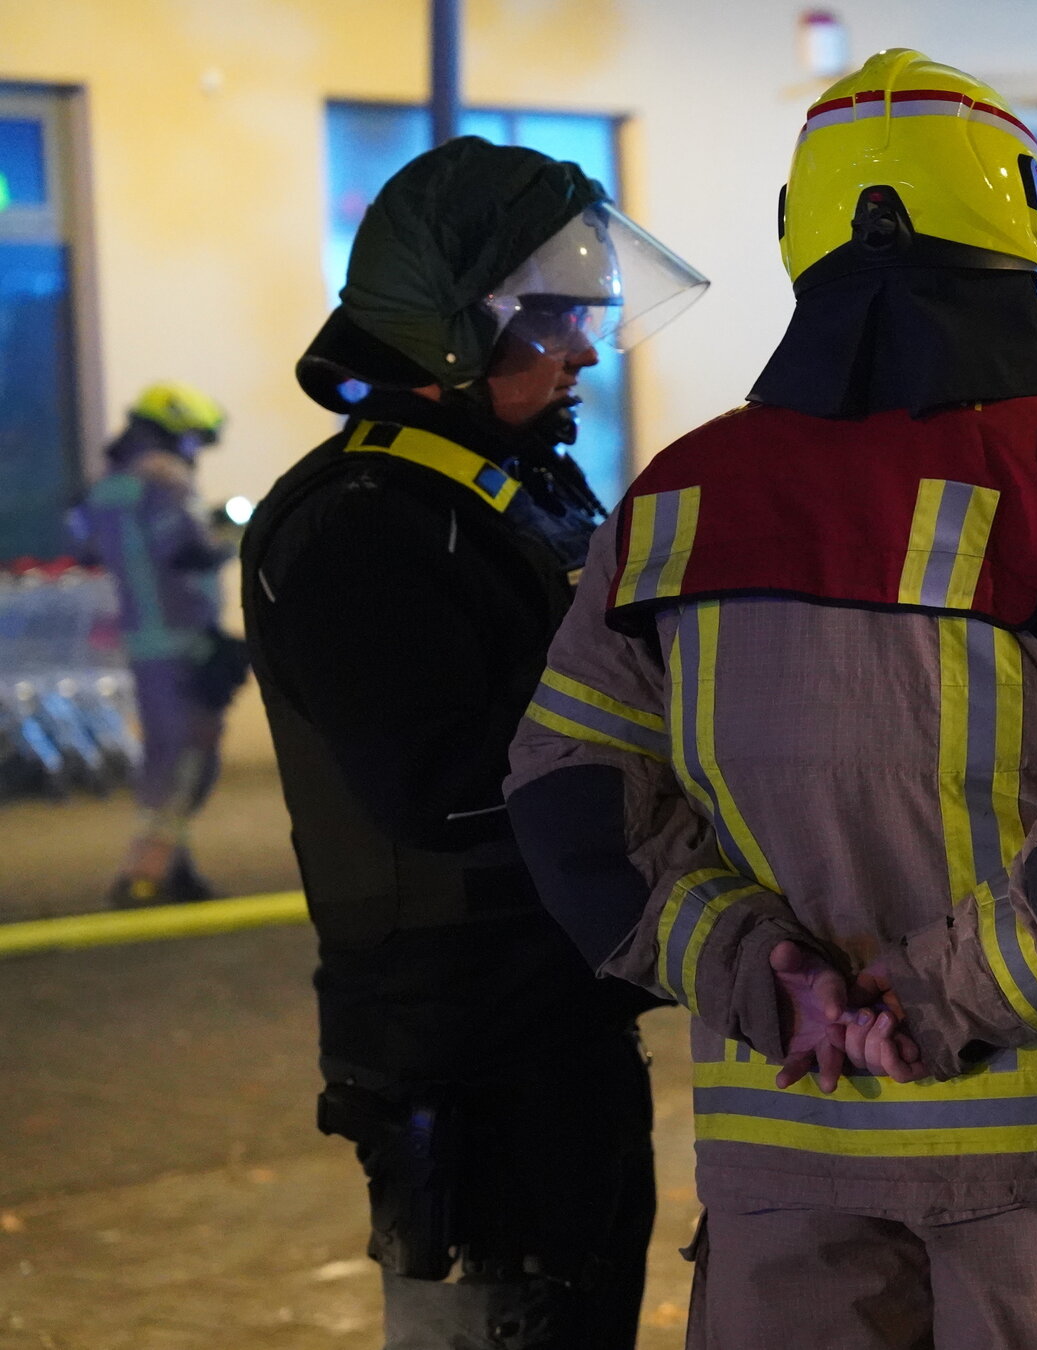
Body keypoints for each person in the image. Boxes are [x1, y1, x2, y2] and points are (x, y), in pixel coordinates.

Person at [503, 50, 1037, 1348]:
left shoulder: (678, 494)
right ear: (1015, 232)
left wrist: (771, 979)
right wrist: (930, 999)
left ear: (805, 236)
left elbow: (572, 812)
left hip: (790, 1151)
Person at [241, 136, 707, 1349]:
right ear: (452, 326)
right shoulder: (366, 524)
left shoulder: (499, 490)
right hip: (461, 1052)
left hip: (559, 1025)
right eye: (554, 319)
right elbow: (442, 788)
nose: (587, 352)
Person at [72, 382, 243, 906]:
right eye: (194, 438)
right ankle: (144, 873)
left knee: (167, 754)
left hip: (143, 638)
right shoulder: (166, 477)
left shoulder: (109, 484)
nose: (195, 449)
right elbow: (187, 549)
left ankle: (175, 870)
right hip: (184, 635)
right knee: (190, 757)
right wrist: (235, 533)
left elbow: (89, 545)